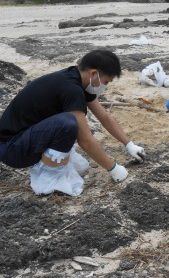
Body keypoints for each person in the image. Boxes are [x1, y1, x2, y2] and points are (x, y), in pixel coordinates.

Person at [0, 50, 146, 196]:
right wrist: (113, 169)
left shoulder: (78, 79)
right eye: (106, 81)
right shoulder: (71, 89)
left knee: (69, 127)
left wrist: (129, 144)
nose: (105, 86)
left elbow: (104, 117)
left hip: (23, 139)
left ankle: (53, 165)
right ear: (93, 73)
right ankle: (48, 179)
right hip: (12, 149)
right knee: (68, 124)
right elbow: (85, 140)